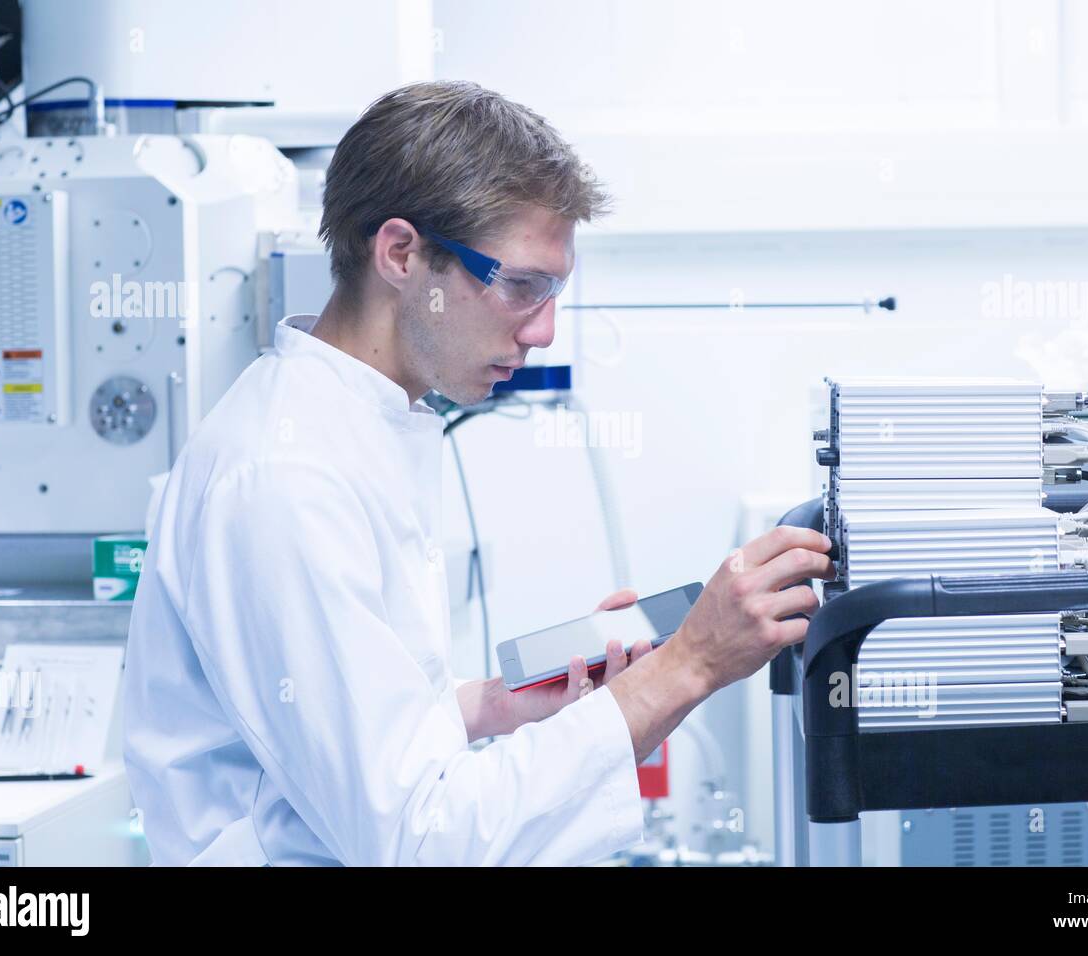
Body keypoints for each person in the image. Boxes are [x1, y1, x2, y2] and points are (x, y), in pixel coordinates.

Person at [122, 80, 833, 866]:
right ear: (401, 254)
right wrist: (689, 666)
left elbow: (354, 746)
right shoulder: (285, 477)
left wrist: (491, 708)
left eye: (556, 291)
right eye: (521, 286)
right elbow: (420, 838)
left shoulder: (355, 427)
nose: (544, 330)